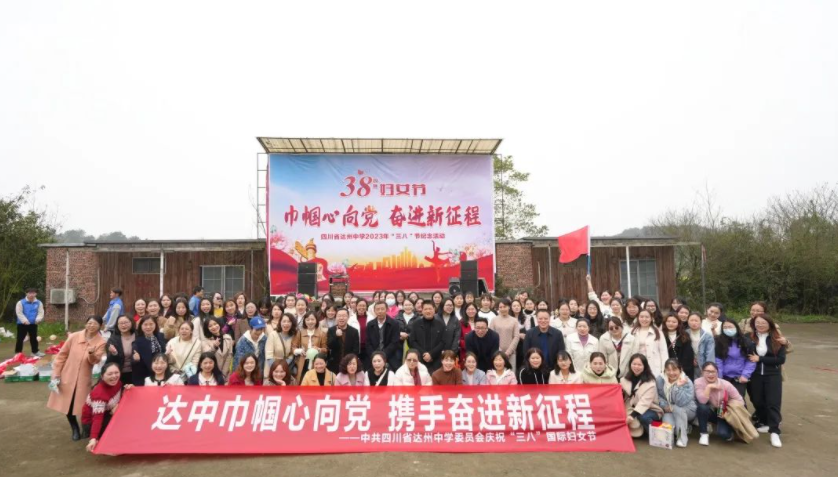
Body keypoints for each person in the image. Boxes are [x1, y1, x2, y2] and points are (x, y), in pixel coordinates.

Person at [47, 316, 107, 441]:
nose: (91, 326)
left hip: (83, 378)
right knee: (68, 404)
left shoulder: (101, 342)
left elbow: (95, 361)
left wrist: (91, 353)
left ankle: (86, 426)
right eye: (89, 323)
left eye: (95, 324)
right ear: (86, 324)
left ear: (100, 326)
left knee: (84, 406)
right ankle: (74, 428)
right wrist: (56, 372)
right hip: (67, 375)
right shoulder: (74, 337)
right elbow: (61, 355)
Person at [748, 314, 786, 448]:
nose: (760, 325)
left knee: (773, 403)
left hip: (772, 375)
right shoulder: (749, 337)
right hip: (755, 375)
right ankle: (765, 422)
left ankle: (774, 432)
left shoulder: (777, 339)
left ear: (770, 324)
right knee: (757, 401)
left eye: (763, 323)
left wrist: (760, 359)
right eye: (757, 322)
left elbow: (781, 359)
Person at [82, 362, 131, 452]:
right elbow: (97, 419)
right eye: (110, 374)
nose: (114, 376)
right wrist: (93, 438)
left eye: (116, 373)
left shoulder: (118, 383)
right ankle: (99, 438)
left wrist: (128, 389)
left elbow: (120, 396)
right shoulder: (99, 394)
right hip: (92, 421)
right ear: (102, 376)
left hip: (108, 413)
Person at [694, 361, 741, 445]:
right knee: (702, 407)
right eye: (707, 371)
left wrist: (727, 408)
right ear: (702, 372)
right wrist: (709, 387)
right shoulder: (698, 382)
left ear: (717, 372)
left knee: (724, 434)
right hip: (710, 409)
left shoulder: (725, 384)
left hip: (724, 410)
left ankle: (731, 430)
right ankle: (704, 434)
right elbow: (702, 401)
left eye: (713, 372)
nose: (710, 374)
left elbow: (740, 400)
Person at [656, 358, 696, 448]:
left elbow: (680, 402)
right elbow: (659, 396)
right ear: (665, 370)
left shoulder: (686, 381)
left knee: (678, 409)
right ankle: (682, 430)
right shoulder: (660, 379)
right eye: (668, 370)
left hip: (687, 409)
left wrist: (677, 387)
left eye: (674, 370)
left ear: (680, 369)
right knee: (667, 421)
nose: (671, 373)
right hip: (669, 409)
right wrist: (664, 406)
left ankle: (682, 438)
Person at [621, 353, 663, 437]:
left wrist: (632, 416)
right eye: (634, 364)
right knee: (635, 429)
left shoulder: (650, 382)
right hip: (632, 407)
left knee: (643, 417)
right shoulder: (624, 379)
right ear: (630, 365)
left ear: (645, 366)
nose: (636, 367)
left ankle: (656, 435)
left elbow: (645, 402)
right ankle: (642, 427)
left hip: (650, 409)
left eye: (639, 365)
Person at [715, 320, 755, 398]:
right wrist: (719, 377)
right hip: (724, 376)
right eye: (725, 327)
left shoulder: (745, 341)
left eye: (730, 327)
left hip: (739, 377)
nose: (727, 329)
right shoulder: (719, 341)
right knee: (723, 399)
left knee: (738, 399)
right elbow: (718, 360)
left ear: (736, 327)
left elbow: (751, 360)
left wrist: (745, 375)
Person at [627, 310, 668, 377]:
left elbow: (663, 352)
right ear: (638, 318)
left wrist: (664, 369)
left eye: (647, 317)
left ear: (651, 318)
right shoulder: (632, 332)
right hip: (637, 366)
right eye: (641, 317)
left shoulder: (658, 332)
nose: (644, 319)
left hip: (653, 365)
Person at [408, 301, 446, 372]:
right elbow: (412, 341)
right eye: (425, 309)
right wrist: (424, 354)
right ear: (422, 311)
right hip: (420, 359)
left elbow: (443, 342)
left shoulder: (440, 324)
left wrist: (431, 354)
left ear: (434, 310)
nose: (428, 311)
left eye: (430, 309)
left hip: (436, 359)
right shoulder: (416, 324)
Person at [291, 312, 327, 382]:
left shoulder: (322, 333)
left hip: (316, 363)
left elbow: (325, 349)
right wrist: (299, 351)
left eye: (312, 319)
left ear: (316, 320)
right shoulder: (300, 332)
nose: (310, 322)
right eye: (307, 320)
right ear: (304, 321)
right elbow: (293, 347)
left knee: (314, 381)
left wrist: (319, 349)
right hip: (302, 362)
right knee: (302, 381)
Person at [366, 301, 402, 371]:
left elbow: (395, 342)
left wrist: (383, 354)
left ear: (387, 310)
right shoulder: (370, 324)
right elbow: (368, 342)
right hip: (374, 355)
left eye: (382, 309)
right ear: (374, 311)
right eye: (377, 309)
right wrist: (374, 355)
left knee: (395, 371)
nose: (380, 311)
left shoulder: (394, 323)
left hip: (390, 354)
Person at [132, 315, 167, 386]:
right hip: (145, 376)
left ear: (155, 325)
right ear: (141, 326)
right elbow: (133, 361)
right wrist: (136, 359)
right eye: (145, 324)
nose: (148, 327)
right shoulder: (137, 342)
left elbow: (164, 353)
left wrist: (167, 353)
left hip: (162, 372)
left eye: (151, 324)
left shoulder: (161, 336)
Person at [489, 298, 520, 372]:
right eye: (500, 307)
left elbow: (516, 337)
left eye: (505, 306)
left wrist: (508, 352)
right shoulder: (494, 320)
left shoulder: (514, 321)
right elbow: (491, 336)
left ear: (509, 307)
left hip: (511, 354)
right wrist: (499, 351)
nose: (503, 309)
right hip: (497, 353)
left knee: (510, 374)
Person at [663, 314, 696, 381]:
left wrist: (680, 369)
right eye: (668, 321)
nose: (671, 324)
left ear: (678, 323)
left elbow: (688, 355)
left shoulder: (684, 335)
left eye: (674, 322)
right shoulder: (661, 335)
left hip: (682, 369)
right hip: (666, 369)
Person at [327, 308, 360, 373]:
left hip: (349, 364)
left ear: (348, 317)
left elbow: (355, 350)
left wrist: (350, 361)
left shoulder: (354, 331)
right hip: (334, 364)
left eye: (344, 316)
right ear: (336, 317)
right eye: (339, 316)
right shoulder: (331, 330)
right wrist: (336, 336)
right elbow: (330, 345)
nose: (341, 318)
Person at [105, 315, 135, 385]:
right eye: (121, 323)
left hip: (136, 372)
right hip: (119, 373)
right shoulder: (113, 339)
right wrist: (114, 353)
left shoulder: (138, 336)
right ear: (117, 325)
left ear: (131, 323)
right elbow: (109, 361)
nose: (123, 325)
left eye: (126, 322)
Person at [15, 288, 44, 357]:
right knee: (20, 338)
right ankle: (18, 353)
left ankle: (35, 352)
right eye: (30, 293)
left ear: (36, 294)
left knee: (34, 338)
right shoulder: (20, 302)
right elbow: (19, 313)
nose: (31, 295)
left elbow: (41, 312)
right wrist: (25, 321)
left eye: (33, 293)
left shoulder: (39, 303)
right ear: (26, 294)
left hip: (33, 323)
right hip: (22, 324)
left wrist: (38, 319)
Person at [687, 312, 716, 379]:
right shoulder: (684, 334)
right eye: (691, 320)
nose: (694, 323)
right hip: (688, 366)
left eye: (696, 320)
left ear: (701, 322)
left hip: (702, 365)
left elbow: (710, 354)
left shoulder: (707, 336)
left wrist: (708, 369)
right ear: (688, 321)